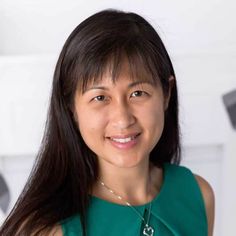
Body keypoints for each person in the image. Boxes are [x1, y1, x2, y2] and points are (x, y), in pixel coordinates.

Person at [0, 9, 215, 236]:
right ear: (71, 108)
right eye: (100, 98)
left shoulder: (199, 196)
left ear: (166, 94)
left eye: (138, 93)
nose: (123, 119)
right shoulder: (46, 230)